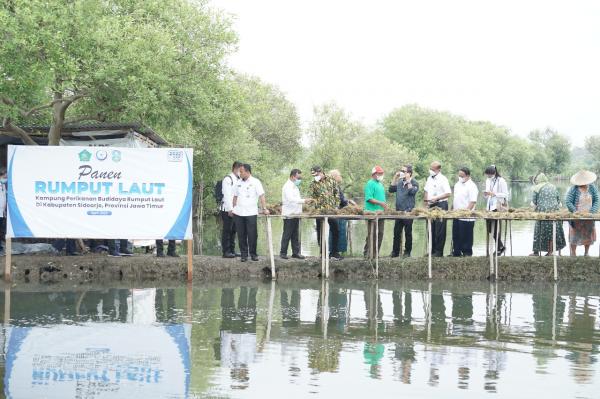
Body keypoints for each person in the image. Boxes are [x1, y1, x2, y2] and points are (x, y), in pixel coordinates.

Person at [232, 163, 269, 262]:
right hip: (239, 213)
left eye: (241, 171)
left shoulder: (255, 182)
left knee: (252, 234)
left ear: (247, 172)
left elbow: (261, 196)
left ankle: (253, 254)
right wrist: (233, 208)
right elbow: (235, 196)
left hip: (251, 212)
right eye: (239, 171)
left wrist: (264, 208)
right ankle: (244, 255)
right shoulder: (238, 182)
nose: (240, 173)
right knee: (241, 234)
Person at [309, 166, 343, 260]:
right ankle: (322, 253)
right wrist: (319, 199)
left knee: (336, 230)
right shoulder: (313, 183)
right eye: (314, 175)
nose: (315, 177)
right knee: (320, 231)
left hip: (332, 210)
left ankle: (334, 253)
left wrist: (336, 205)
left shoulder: (331, 180)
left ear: (321, 172)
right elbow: (311, 197)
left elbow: (337, 194)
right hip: (320, 211)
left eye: (317, 174)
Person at [565, 170, 599, 256]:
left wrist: (592, 211)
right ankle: (573, 253)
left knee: (588, 233)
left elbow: (597, 200)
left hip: (589, 216)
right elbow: (568, 201)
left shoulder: (592, 188)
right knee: (574, 235)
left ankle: (586, 252)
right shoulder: (574, 189)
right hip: (577, 217)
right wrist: (575, 211)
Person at [530, 173, 566, 256]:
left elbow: (533, 203)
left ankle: (536, 252)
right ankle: (550, 252)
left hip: (542, 214)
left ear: (538, 180)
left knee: (538, 232)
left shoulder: (537, 187)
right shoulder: (553, 186)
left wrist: (534, 208)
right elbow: (559, 202)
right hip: (554, 213)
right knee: (552, 232)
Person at [389, 164, 419, 258]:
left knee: (408, 233)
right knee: (396, 233)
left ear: (409, 173)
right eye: (401, 170)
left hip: (409, 212)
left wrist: (408, 180)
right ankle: (395, 252)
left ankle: (407, 252)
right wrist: (395, 177)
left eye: (404, 171)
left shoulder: (414, 183)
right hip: (398, 212)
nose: (401, 172)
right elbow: (391, 189)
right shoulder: (399, 182)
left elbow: (412, 192)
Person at [423, 161, 452, 257]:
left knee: (439, 229)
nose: (431, 170)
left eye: (433, 169)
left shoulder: (443, 179)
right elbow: (426, 191)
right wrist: (425, 204)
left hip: (441, 204)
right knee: (431, 228)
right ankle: (431, 250)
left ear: (438, 169)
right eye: (430, 168)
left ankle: (439, 252)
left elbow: (448, 193)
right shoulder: (429, 178)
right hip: (431, 205)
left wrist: (437, 198)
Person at [280, 169, 309, 259]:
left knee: (295, 235)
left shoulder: (294, 186)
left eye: (300, 178)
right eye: (298, 177)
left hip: (296, 214)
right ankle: (283, 253)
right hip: (289, 214)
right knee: (287, 234)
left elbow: (296, 199)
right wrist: (304, 201)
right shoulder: (287, 186)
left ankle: (295, 253)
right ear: (292, 176)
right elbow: (291, 199)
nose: (299, 179)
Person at [451, 167, 479, 257]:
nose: (460, 177)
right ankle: (456, 252)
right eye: (459, 175)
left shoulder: (472, 186)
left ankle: (467, 253)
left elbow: (473, 201)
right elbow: (455, 198)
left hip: (467, 216)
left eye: (462, 176)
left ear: (468, 176)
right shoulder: (457, 184)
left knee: (466, 236)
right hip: (456, 214)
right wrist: (451, 209)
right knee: (456, 234)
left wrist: (466, 212)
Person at [328, 170, 355, 255]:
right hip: (336, 213)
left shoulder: (334, 186)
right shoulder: (333, 186)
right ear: (335, 176)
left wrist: (347, 201)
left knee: (335, 232)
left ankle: (334, 252)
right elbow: (340, 200)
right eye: (339, 175)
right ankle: (334, 252)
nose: (341, 177)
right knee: (336, 232)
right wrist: (347, 203)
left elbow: (341, 198)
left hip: (336, 212)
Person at [363, 166, 388, 258]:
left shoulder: (380, 184)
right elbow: (369, 198)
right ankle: (367, 253)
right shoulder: (370, 183)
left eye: (382, 173)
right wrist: (381, 203)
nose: (381, 175)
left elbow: (382, 198)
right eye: (379, 173)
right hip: (371, 213)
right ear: (374, 174)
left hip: (381, 213)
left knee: (380, 233)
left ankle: (375, 253)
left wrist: (384, 206)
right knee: (372, 233)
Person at [484, 165, 508, 255]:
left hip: (497, 206)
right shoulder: (488, 180)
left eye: (489, 175)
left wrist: (494, 194)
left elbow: (505, 194)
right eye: (487, 175)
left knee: (494, 228)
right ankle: (500, 247)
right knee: (490, 229)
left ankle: (500, 247)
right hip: (490, 206)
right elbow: (488, 192)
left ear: (494, 173)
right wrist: (486, 194)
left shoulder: (501, 181)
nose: (488, 177)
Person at [220, 161, 242, 258]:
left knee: (234, 230)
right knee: (227, 230)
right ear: (235, 169)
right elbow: (227, 195)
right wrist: (230, 209)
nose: (240, 172)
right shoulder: (228, 179)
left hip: (236, 209)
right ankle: (226, 251)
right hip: (227, 209)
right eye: (240, 170)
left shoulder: (238, 179)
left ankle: (232, 250)